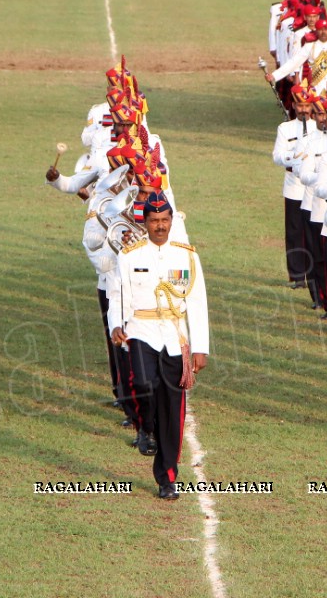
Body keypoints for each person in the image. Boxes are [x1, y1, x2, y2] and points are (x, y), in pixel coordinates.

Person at [107, 191, 208, 500]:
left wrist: (201, 346)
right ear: (145, 222)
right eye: (154, 221)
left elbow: (198, 301)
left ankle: (167, 477)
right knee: (142, 384)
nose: (160, 226)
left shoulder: (186, 255)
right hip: (141, 331)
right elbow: (117, 293)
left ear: (171, 221)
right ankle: (145, 424)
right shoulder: (130, 254)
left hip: (175, 339)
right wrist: (116, 324)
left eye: (165, 220)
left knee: (173, 412)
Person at [272, 90, 315, 289]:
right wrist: (294, 157)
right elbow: (277, 156)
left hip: (314, 188)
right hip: (293, 186)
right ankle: (297, 275)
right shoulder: (285, 128)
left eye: (307, 106)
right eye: (300, 106)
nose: (304, 110)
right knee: (294, 231)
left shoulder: (318, 128)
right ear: (294, 106)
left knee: (312, 231)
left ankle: (314, 274)